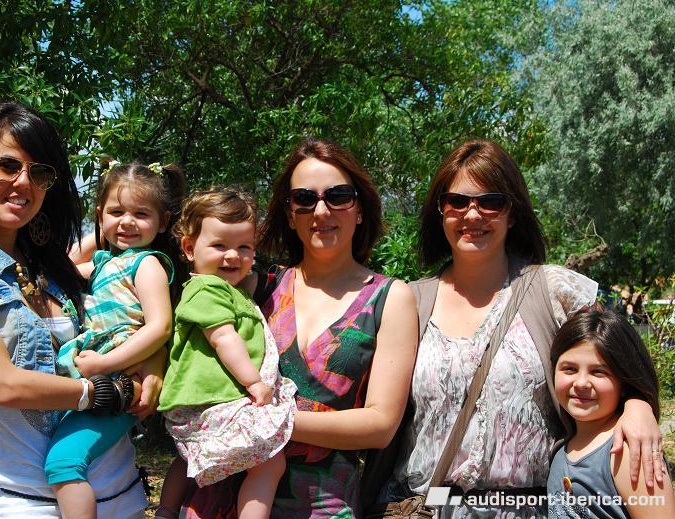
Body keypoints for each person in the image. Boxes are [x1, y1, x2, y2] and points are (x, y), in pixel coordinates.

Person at [376, 139, 665, 518]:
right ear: (440, 212)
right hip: (424, 508)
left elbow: (623, 365)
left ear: (512, 214)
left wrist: (638, 407)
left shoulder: (554, 290)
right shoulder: (408, 302)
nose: (472, 214)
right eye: (457, 202)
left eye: (491, 202)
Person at [0, 101, 161, 518]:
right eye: (8, 165)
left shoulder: (56, 267)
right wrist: (106, 393)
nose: (23, 183)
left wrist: (152, 367)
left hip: (124, 496)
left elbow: (132, 320)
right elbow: (6, 386)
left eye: (40, 173)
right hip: (30, 504)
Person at [181, 137, 418, 518]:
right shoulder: (252, 287)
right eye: (304, 199)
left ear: (360, 209)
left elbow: (380, 424)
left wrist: (268, 423)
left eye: (339, 196)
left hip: (321, 505)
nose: (321, 210)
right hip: (220, 498)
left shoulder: (390, 298)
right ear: (290, 214)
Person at [46, 162, 185, 518]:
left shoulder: (147, 264)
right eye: (116, 212)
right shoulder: (105, 262)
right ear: (99, 215)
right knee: (65, 456)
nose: (127, 222)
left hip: (119, 378)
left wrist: (104, 363)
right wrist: (101, 230)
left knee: (63, 461)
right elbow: (58, 266)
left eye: (141, 214)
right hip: (101, 375)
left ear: (163, 222)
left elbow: (160, 327)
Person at [156, 188, 297, 519]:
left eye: (244, 247)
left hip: (204, 397)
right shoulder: (207, 288)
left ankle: (166, 510)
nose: (233, 256)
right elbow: (223, 338)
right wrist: (254, 382)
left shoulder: (232, 290)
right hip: (209, 398)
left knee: (189, 457)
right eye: (219, 246)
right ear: (189, 248)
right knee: (269, 463)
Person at [547, 311, 675, 518]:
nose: (581, 383)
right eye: (569, 369)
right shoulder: (564, 441)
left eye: (598, 372)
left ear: (623, 381)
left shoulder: (628, 449)